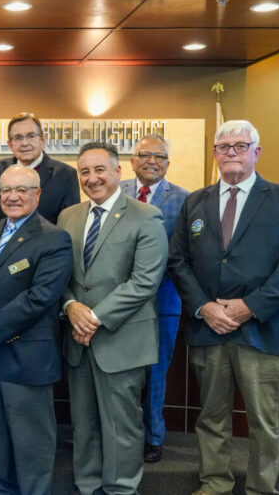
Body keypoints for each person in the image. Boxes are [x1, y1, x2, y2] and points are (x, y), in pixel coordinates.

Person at [168, 120, 279, 495]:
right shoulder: (195, 202)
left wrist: (249, 306)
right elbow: (178, 261)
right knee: (210, 417)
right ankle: (214, 483)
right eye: (224, 147)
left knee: (263, 422)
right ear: (215, 154)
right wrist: (203, 307)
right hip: (209, 328)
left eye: (240, 145)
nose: (231, 152)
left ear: (256, 152)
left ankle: (261, 489)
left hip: (261, 330)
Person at [58, 142, 168, 495]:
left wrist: (94, 317)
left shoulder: (145, 216)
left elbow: (145, 281)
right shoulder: (68, 217)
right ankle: (87, 486)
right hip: (77, 339)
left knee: (122, 425)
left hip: (120, 340)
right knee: (84, 424)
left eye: (99, 169)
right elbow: (58, 276)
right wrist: (70, 306)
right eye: (84, 172)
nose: (92, 178)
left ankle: (121, 489)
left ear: (119, 171)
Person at [0, 164, 73, 494]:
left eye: (22, 190)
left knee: (32, 451)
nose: (12, 197)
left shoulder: (54, 238)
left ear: (37, 194)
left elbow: (41, 297)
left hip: (27, 359)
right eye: (6, 190)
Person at [120, 133, 189, 463]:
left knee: (156, 372)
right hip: (118, 301)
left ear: (168, 164)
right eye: (145, 155)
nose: (152, 161)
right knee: (123, 372)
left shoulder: (185, 200)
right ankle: (126, 434)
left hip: (164, 300)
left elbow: (184, 256)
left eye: (159, 157)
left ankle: (154, 436)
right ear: (132, 161)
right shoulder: (114, 192)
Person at [0, 112, 80, 224]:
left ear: (43, 140)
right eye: (18, 137)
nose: (25, 143)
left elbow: (71, 223)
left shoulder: (66, 175)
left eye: (31, 136)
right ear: (10, 144)